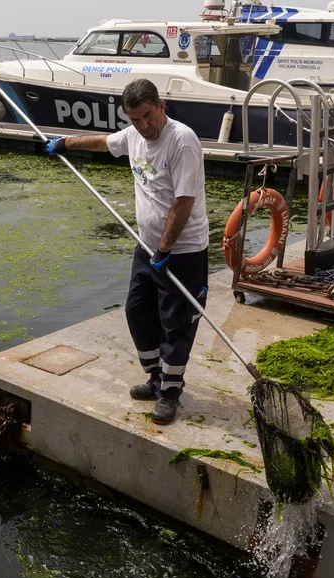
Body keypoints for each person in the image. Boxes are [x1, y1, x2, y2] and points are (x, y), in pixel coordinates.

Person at [46, 79, 209, 425]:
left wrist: (164, 250)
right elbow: (102, 142)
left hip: (182, 252)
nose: (144, 126)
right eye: (135, 119)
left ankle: (170, 393)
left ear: (161, 106)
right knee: (137, 312)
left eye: (148, 116)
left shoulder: (182, 141)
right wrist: (64, 143)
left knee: (176, 323)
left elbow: (183, 202)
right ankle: (156, 378)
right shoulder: (134, 136)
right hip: (147, 247)